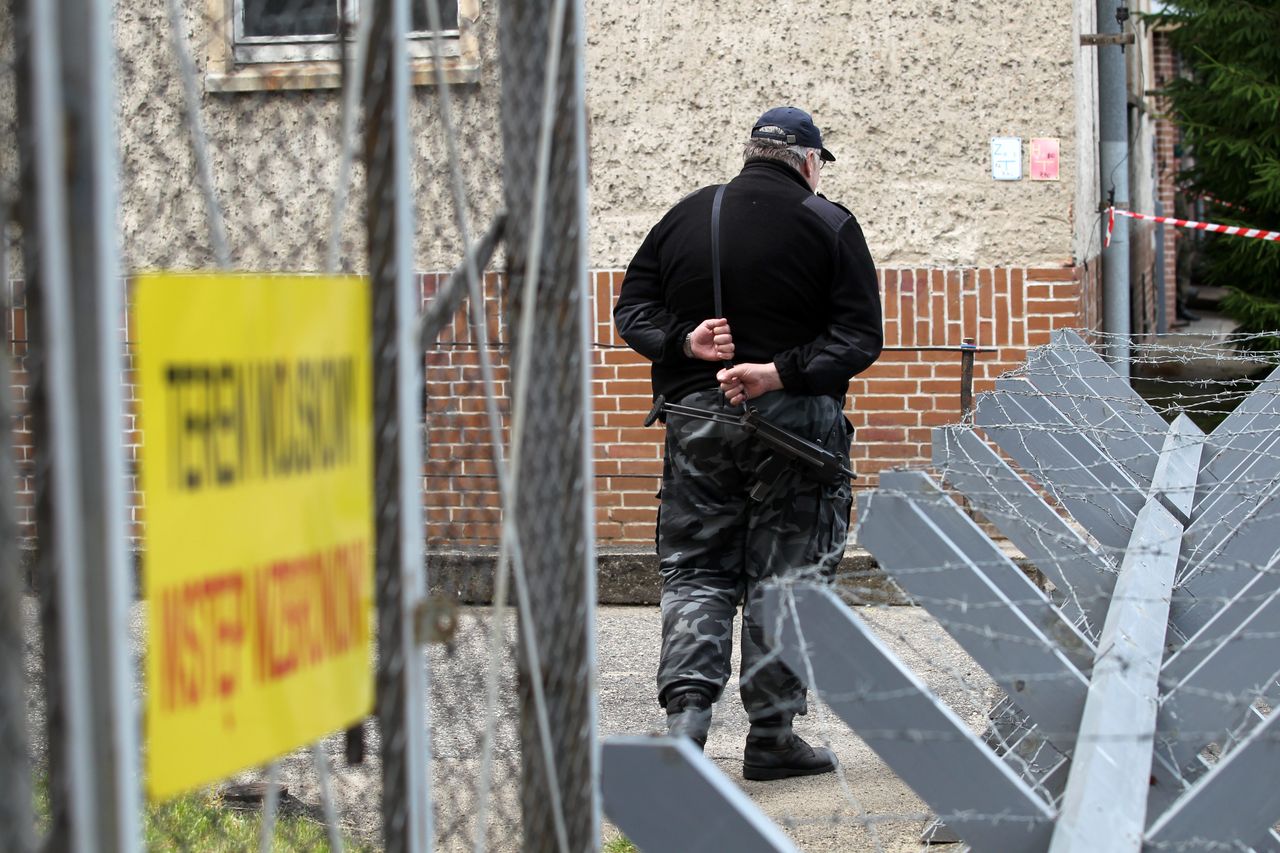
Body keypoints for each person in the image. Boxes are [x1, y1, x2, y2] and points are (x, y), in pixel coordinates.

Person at [613, 106, 883, 780]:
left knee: (699, 571)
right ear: (809, 162)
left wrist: (684, 341)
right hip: (797, 431)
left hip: (699, 422)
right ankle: (771, 737)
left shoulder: (685, 217)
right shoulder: (829, 224)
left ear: (752, 152)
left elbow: (631, 310)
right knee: (785, 577)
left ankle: (685, 728)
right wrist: (779, 372)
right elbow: (858, 337)